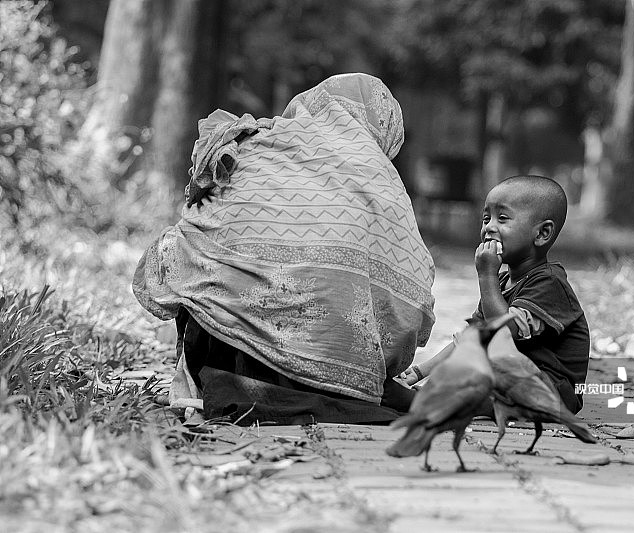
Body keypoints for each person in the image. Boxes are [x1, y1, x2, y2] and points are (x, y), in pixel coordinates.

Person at [133, 73, 435, 425]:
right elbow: (412, 306)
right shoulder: (383, 181)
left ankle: (219, 375)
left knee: (188, 247)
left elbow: (198, 229)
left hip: (229, 342)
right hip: (339, 366)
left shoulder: (265, 143)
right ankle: (314, 381)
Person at [397, 175, 589, 414]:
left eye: (503, 218)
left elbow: (505, 332)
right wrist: (419, 371)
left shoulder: (549, 283)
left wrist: (486, 277)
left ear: (542, 234)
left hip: (553, 392)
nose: (489, 227)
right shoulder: (501, 282)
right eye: (486, 218)